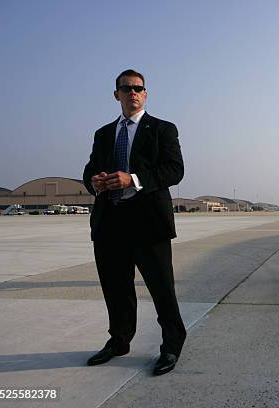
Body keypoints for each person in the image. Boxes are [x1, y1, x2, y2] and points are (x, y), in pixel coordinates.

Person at [83, 69, 186, 376]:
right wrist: (95, 181)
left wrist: (134, 179)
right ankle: (119, 340)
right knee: (116, 289)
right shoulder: (103, 134)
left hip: (148, 222)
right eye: (126, 88)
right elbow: (90, 169)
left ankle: (171, 344)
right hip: (110, 221)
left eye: (138, 88)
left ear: (145, 93)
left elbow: (174, 170)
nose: (132, 93)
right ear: (116, 94)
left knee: (161, 288)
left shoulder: (162, 129)